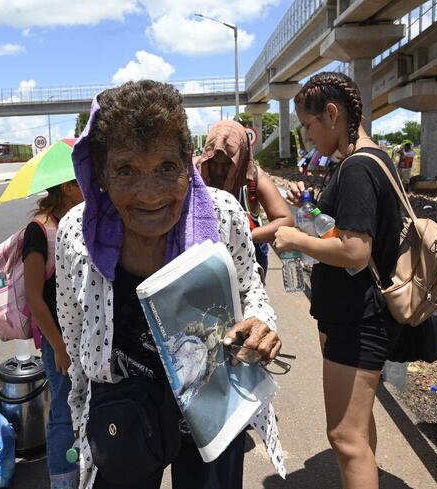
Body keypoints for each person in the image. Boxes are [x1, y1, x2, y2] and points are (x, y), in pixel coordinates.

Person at [56, 80, 286, 489]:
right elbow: (74, 331)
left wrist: (260, 323)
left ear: (187, 164)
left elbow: (251, 289)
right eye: (126, 170)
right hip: (123, 411)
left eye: (166, 168)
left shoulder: (223, 215)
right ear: (102, 175)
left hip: (214, 400)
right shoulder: (76, 233)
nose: (150, 195)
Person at [273, 72, 403, 489]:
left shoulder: (357, 168)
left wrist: (295, 237)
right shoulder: (369, 160)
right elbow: (343, 231)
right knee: (358, 430)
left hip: (357, 319)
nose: (307, 137)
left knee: (345, 438)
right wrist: (306, 206)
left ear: (332, 114)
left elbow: (355, 251)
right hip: (354, 314)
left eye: (308, 126)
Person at [22, 180, 84, 489]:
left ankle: (86, 471)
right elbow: (34, 296)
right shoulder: (41, 230)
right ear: (70, 187)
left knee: (87, 405)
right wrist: (59, 347)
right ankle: (62, 480)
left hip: (86, 335)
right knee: (63, 409)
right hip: (58, 339)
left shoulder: (83, 220)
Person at [196, 120, 294, 281]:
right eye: (213, 162)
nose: (219, 171)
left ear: (241, 159)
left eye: (228, 164)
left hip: (246, 265)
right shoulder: (196, 172)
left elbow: (285, 220)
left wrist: (238, 236)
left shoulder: (254, 178)